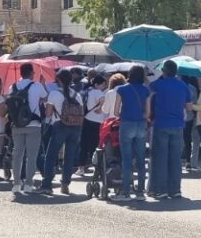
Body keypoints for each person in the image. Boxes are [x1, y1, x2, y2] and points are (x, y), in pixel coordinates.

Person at [146, 60, 192, 199]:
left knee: (160, 158)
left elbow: (147, 92)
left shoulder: (157, 85)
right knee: (175, 159)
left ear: (164, 71)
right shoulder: (183, 86)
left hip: (161, 124)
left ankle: (160, 189)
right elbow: (189, 107)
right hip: (178, 125)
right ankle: (175, 189)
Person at [40, 69, 85, 194]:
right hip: (75, 127)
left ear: (58, 80)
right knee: (69, 156)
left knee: (51, 156)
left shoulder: (54, 93)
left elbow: (48, 114)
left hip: (60, 125)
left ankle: (47, 184)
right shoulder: (77, 95)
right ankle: (65, 183)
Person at [109, 65, 151, 200]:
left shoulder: (121, 89)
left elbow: (115, 111)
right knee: (140, 159)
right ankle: (140, 192)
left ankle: (126, 192)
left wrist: (123, 113)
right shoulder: (146, 90)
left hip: (126, 124)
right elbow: (148, 112)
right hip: (141, 124)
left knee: (126, 159)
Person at [7, 63, 46, 197]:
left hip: (17, 125)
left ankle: (16, 183)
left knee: (17, 155)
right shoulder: (37, 86)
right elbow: (45, 98)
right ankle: (28, 184)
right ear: (31, 73)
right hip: (33, 124)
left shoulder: (12, 87)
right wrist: (42, 83)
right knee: (31, 156)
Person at [79, 71, 107, 172]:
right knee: (95, 145)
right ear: (97, 84)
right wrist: (100, 108)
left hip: (86, 119)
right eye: (103, 84)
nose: (104, 86)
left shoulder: (87, 91)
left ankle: (81, 166)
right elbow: (103, 100)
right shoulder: (98, 92)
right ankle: (96, 167)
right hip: (97, 121)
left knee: (84, 144)